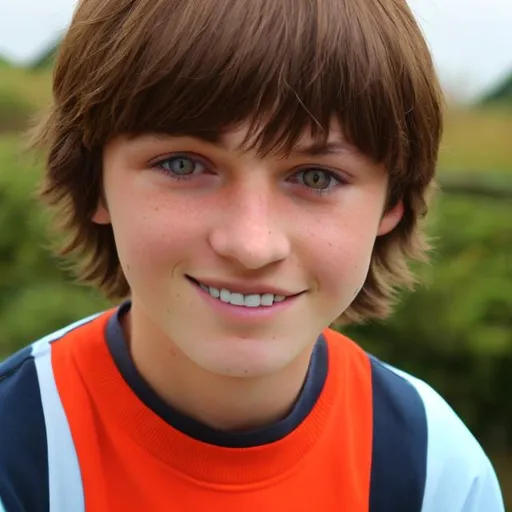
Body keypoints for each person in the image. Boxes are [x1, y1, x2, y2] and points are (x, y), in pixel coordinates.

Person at [0, 0, 505, 510]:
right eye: (182, 164)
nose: (251, 244)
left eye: (316, 177)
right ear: (95, 184)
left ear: (391, 203)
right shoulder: (18, 453)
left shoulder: (433, 471)